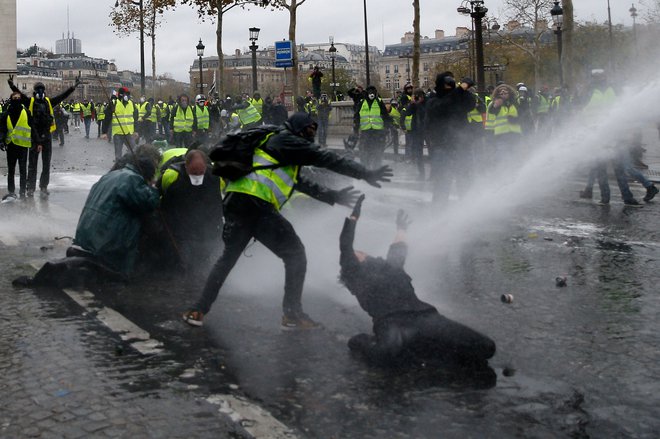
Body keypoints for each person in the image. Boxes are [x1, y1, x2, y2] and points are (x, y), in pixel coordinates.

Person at [182, 112, 393, 329]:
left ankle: (198, 310)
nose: (310, 136)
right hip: (256, 205)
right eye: (308, 131)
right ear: (297, 128)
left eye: (314, 131)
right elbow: (324, 157)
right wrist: (365, 172)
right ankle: (292, 314)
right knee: (295, 254)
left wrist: (332, 196)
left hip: (238, 203)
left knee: (227, 260)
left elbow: (298, 182)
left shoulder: (278, 147)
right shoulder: (285, 139)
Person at [339, 195, 496, 365]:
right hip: (391, 322)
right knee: (385, 354)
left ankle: (425, 345)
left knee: (486, 347)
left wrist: (401, 228)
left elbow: (398, 248)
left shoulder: (392, 266)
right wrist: (354, 217)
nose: (360, 252)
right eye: (357, 253)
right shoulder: (355, 274)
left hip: (426, 316)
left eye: (361, 251)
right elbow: (346, 246)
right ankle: (363, 341)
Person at [73, 153, 160, 276]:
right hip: (105, 241)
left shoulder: (112, 175)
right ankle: (122, 275)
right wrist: (154, 189)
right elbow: (149, 203)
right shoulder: (132, 180)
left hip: (85, 235)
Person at [579, 70, 645, 207]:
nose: (600, 79)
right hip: (598, 136)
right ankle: (607, 198)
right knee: (603, 169)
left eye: (601, 76)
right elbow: (580, 112)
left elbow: (624, 110)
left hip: (613, 136)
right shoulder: (590, 93)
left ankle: (624, 197)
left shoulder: (611, 90)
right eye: (598, 77)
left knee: (617, 168)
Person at [8, 76, 79, 197]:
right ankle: (30, 187)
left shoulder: (49, 102)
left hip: (46, 136)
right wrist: (12, 86)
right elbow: (20, 95)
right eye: (38, 89)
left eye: (42, 89)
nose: (40, 91)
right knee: (32, 165)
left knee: (46, 164)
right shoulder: (30, 101)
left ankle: (43, 186)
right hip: (35, 137)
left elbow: (62, 96)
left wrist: (73, 87)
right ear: (35, 91)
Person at [158, 149, 223, 272]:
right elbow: (159, 196)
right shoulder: (171, 176)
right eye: (194, 172)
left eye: (200, 172)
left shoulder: (215, 177)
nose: (197, 176)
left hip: (204, 222)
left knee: (203, 256)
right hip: (179, 222)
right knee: (180, 259)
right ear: (186, 166)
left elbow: (218, 201)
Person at [424, 72, 475, 204]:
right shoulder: (432, 100)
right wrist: (459, 89)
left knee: (464, 179)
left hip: (461, 145)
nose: (450, 86)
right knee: (442, 181)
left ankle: (467, 207)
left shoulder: (459, 97)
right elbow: (444, 105)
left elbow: (471, 103)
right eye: (447, 83)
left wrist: (465, 91)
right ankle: (439, 212)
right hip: (442, 147)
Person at [0, 92, 35, 201]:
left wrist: (37, 141)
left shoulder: (27, 112)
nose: (17, 99)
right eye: (14, 98)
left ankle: (22, 191)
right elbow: (2, 129)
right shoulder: (5, 114)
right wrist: (1, 140)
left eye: (18, 98)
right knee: (11, 170)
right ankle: (11, 192)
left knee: (23, 170)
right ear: (11, 99)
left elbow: (32, 127)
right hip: (10, 145)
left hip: (23, 146)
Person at [354, 85, 391, 169]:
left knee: (378, 152)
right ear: (366, 93)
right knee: (364, 151)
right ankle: (365, 168)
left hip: (378, 132)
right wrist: (355, 129)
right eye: (370, 92)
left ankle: (376, 168)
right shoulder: (362, 102)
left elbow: (386, 116)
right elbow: (356, 116)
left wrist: (386, 128)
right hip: (366, 132)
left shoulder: (379, 102)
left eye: (373, 92)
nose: (371, 94)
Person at [103, 87, 138, 160]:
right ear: (121, 95)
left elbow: (135, 117)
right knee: (118, 154)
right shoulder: (114, 103)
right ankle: (118, 165)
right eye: (126, 94)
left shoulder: (131, 104)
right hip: (118, 133)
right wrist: (104, 132)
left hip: (129, 132)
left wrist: (136, 130)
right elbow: (107, 118)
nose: (128, 96)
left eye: (128, 94)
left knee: (134, 151)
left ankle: (130, 163)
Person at [406, 89, 427, 179]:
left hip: (427, 130)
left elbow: (424, 112)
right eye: (417, 96)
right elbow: (408, 113)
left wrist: (418, 104)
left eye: (420, 96)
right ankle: (421, 173)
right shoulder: (414, 104)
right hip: (417, 131)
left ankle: (435, 173)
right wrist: (412, 103)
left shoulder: (428, 102)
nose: (419, 98)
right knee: (418, 152)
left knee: (433, 152)